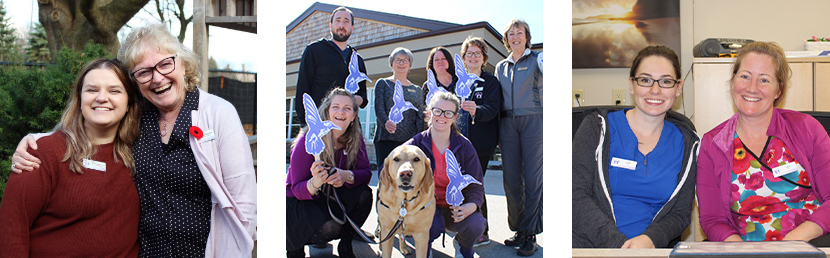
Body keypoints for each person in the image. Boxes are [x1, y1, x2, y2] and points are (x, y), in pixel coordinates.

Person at [11, 23, 257, 257]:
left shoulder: (218, 114)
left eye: (165, 64)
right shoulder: (138, 116)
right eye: (144, 72)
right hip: (148, 253)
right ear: (135, 82)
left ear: (183, 65)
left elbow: (244, 205)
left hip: (205, 251)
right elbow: (96, 126)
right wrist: (38, 140)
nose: (157, 78)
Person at [0, 59, 142, 257]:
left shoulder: (142, 152)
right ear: (80, 99)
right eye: (92, 90)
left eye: (114, 91)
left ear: (129, 103)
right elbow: (12, 229)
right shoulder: (42, 153)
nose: (102, 98)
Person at [697, 41, 830, 244]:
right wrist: (742, 253)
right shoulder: (712, 144)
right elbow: (712, 220)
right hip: (744, 247)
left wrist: (790, 244)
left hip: (810, 241)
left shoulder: (806, 128)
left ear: (779, 91)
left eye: (764, 80)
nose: (752, 88)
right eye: (745, 76)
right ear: (733, 82)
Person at [572, 45, 699, 248]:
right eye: (645, 80)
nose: (655, 90)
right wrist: (619, 246)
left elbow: (680, 214)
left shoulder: (688, 144)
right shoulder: (596, 128)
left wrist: (650, 241)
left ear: (678, 88)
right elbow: (574, 196)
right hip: (591, 247)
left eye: (666, 81)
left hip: (649, 250)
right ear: (631, 85)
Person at [286, 89, 373, 258]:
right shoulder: (308, 139)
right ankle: (294, 245)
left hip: (331, 197)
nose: (341, 112)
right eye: (336, 107)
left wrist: (346, 175)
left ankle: (346, 244)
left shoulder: (355, 139)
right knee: (329, 227)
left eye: (347, 108)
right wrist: (315, 182)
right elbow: (297, 189)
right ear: (327, 110)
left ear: (354, 115)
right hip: (300, 201)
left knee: (364, 194)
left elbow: (366, 173)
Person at [405, 91, 486, 258]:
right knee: (425, 223)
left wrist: (472, 206)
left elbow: (476, 184)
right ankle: (423, 246)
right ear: (429, 113)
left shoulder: (464, 146)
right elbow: (392, 164)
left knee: (476, 224)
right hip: (427, 207)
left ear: (455, 117)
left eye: (448, 113)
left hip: (456, 207)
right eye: (438, 111)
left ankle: (463, 247)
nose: (442, 116)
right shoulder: (417, 143)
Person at [495, 18, 543, 256]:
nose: (515, 37)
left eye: (519, 33)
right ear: (506, 39)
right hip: (507, 124)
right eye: (511, 34)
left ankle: (531, 233)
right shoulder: (500, 67)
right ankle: (519, 230)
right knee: (512, 180)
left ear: (527, 37)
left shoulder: (538, 59)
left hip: (534, 121)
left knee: (533, 179)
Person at [457, 36, 502, 247]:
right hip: (458, 143)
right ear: (464, 58)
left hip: (481, 144)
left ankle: (482, 231)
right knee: (461, 186)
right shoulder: (459, 81)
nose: (473, 57)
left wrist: (477, 110)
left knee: (475, 185)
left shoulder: (491, 81)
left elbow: (493, 109)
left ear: (484, 58)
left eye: (477, 53)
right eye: (469, 53)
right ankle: (467, 227)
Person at [295, 6, 368, 127]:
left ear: (352, 28)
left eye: (346, 21)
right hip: (320, 124)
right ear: (330, 25)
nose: (341, 25)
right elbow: (303, 90)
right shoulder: (314, 50)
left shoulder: (357, 59)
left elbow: (363, 96)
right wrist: (306, 125)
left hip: (349, 127)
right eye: (338, 20)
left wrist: (355, 100)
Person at [373, 47, 424, 172]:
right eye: (398, 60)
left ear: (410, 65)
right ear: (391, 63)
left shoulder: (417, 90)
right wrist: (386, 122)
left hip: (409, 141)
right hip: (385, 139)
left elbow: (419, 117)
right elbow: (379, 108)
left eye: (405, 60)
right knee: (386, 176)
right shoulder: (383, 84)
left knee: (407, 178)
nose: (401, 63)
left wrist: (418, 139)